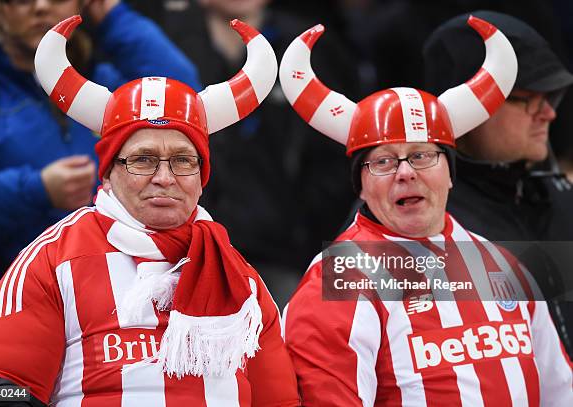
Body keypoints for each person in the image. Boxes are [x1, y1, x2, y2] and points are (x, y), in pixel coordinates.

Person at [0, 15, 299, 407]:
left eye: (182, 160)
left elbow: (280, 401)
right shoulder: (49, 260)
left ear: (202, 173)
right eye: (142, 160)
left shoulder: (239, 276)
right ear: (108, 170)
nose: (164, 177)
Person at [280, 17, 572, 405]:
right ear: (361, 184)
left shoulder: (503, 262)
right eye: (383, 161)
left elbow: (560, 390)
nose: (405, 173)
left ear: (450, 173)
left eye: (422, 155)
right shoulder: (337, 281)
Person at [0, 0, 201, 382]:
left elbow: (186, 95)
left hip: (110, 305)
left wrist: (111, 13)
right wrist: (36, 190)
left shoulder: (104, 84)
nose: (41, 6)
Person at [127, 0, 359, 307]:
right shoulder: (164, 42)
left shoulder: (308, 48)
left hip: (288, 255)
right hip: (184, 254)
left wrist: (303, 229)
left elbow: (339, 151)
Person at [423, 10, 573, 357]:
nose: (548, 113)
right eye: (528, 99)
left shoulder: (556, 199)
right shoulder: (408, 223)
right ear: (466, 107)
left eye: (552, 97)